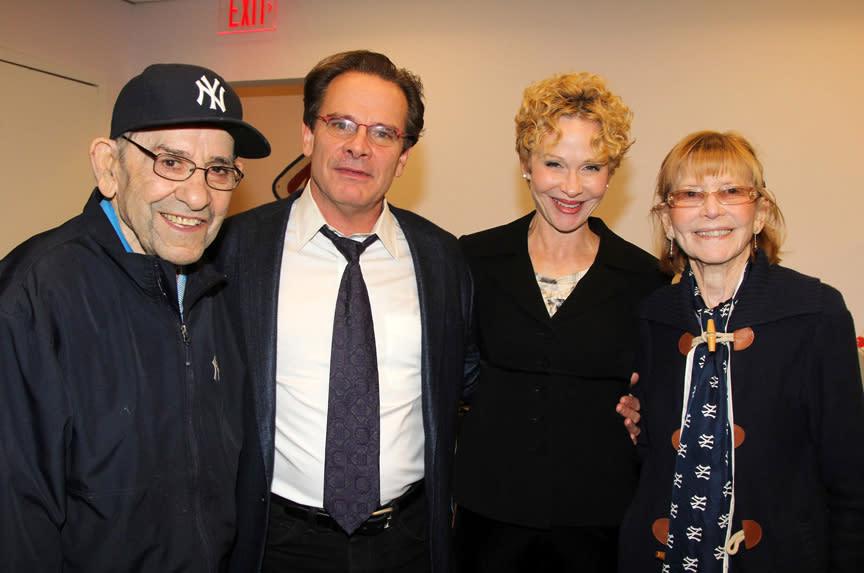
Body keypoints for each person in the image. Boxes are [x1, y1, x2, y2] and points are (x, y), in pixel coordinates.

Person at [212, 50, 475, 573]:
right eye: (342, 124)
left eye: (383, 133)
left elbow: (469, 378)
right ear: (309, 135)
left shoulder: (442, 259)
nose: (359, 146)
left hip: (408, 542)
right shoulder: (234, 250)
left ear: (402, 157)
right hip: (275, 540)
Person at [0, 63, 271, 570]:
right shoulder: (35, 297)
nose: (197, 196)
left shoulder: (213, 292)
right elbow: (16, 520)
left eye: (218, 169)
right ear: (108, 166)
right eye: (171, 161)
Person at [451, 72, 669, 572]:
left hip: (600, 524)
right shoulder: (473, 259)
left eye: (591, 167)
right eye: (554, 164)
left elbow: (663, 389)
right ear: (525, 164)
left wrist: (648, 411)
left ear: (611, 173)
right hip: (489, 518)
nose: (572, 187)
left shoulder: (645, 278)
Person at [619, 131, 864, 571]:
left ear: (760, 214)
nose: (711, 209)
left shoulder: (816, 313)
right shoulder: (653, 316)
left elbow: (853, 481)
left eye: (731, 191)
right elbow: (654, 456)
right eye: (690, 194)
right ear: (669, 220)